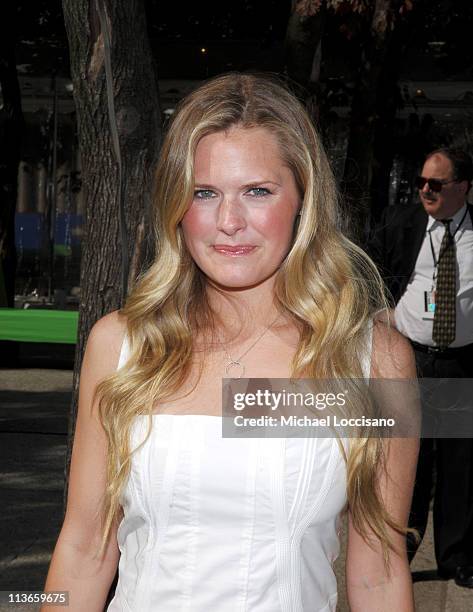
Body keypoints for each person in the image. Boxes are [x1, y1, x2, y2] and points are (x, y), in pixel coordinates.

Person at [43, 73, 418, 611]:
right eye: (204, 193)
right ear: (177, 205)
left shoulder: (371, 362)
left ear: (303, 202)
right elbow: (83, 551)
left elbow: (378, 576)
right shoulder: (123, 346)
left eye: (257, 191)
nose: (229, 222)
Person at [368, 147, 473, 588]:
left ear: (464, 187)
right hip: (408, 358)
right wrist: (380, 312)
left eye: (436, 184)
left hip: (460, 361)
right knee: (406, 463)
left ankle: (459, 558)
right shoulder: (402, 223)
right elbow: (367, 268)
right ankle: (397, 555)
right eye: (422, 182)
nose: (425, 190)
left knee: (460, 468)